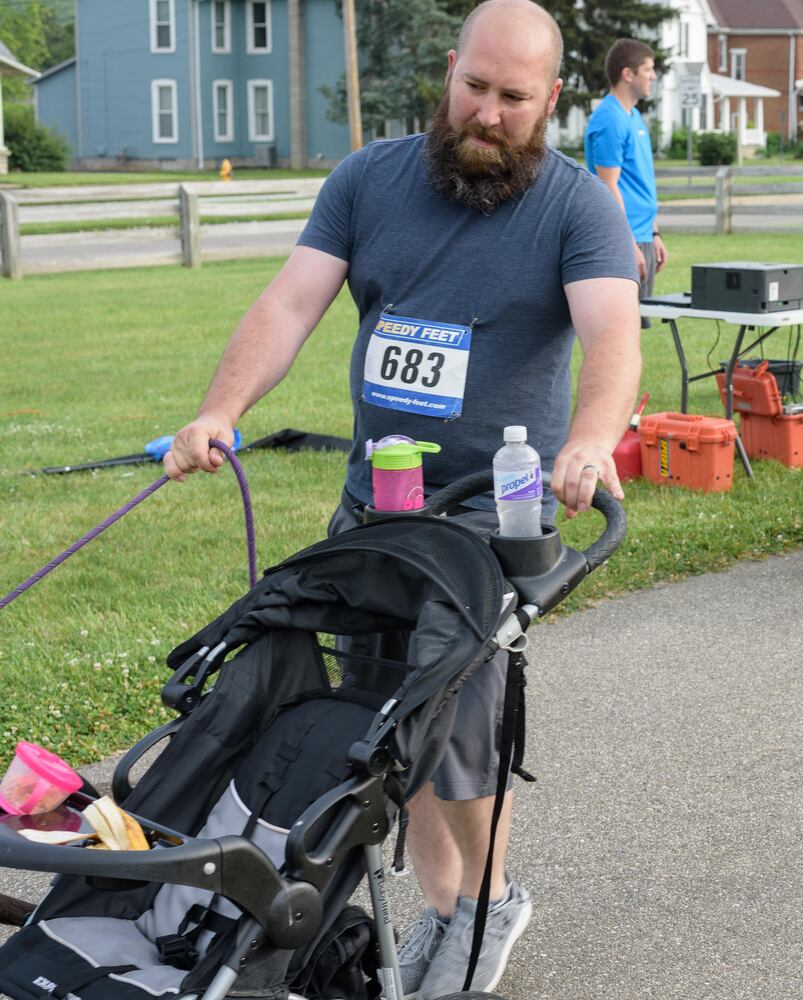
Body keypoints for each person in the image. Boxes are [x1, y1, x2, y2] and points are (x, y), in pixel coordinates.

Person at [162, 1, 642, 994]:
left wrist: (592, 438)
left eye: (515, 97)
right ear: (450, 72)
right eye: (475, 86)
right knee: (385, 736)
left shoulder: (573, 207)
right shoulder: (369, 180)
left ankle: (487, 902)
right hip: (375, 517)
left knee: (457, 730)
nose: (490, 111)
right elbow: (290, 302)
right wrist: (218, 409)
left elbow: (613, 336)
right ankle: (445, 906)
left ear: (549, 100)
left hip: (487, 520)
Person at [585, 38, 667, 321]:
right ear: (627, 73)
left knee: (634, 331)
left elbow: (636, 181)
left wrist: (654, 233)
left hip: (641, 235)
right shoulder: (610, 119)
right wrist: (627, 244)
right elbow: (609, 186)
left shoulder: (633, 117)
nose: (653, 76)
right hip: (623, 239)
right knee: (620, 330)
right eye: (648, 69)